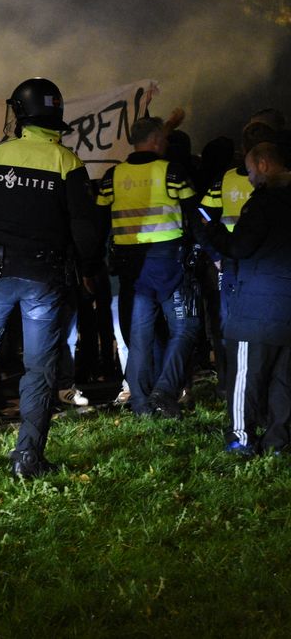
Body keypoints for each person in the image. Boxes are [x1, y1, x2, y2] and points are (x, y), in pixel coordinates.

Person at [0, 79, 101, 478]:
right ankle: (27, 458)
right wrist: (90, 271)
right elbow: (85, 228)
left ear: (19, 113)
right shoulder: (68, 162)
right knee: (39, 367)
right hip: (45, 280)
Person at [97, 116, 201, 419]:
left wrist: (94, 263)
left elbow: (99, 221)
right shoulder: (171, 172)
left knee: (139, 337)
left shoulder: (112, 176)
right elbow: (195, 215)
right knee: (186, 327)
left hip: (132, 268)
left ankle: (142, 405)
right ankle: (165, 392)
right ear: (156, 140)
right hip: (169, 264)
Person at [204, 138, 291, 454]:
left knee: (245, 376)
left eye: (251, 169)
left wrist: (210, 230)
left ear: (264, 165)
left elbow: (239, 247)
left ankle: (241, 438)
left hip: (258, 307)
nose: (250, 176)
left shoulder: (262, 203)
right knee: (283, 379)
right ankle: (278, 441)